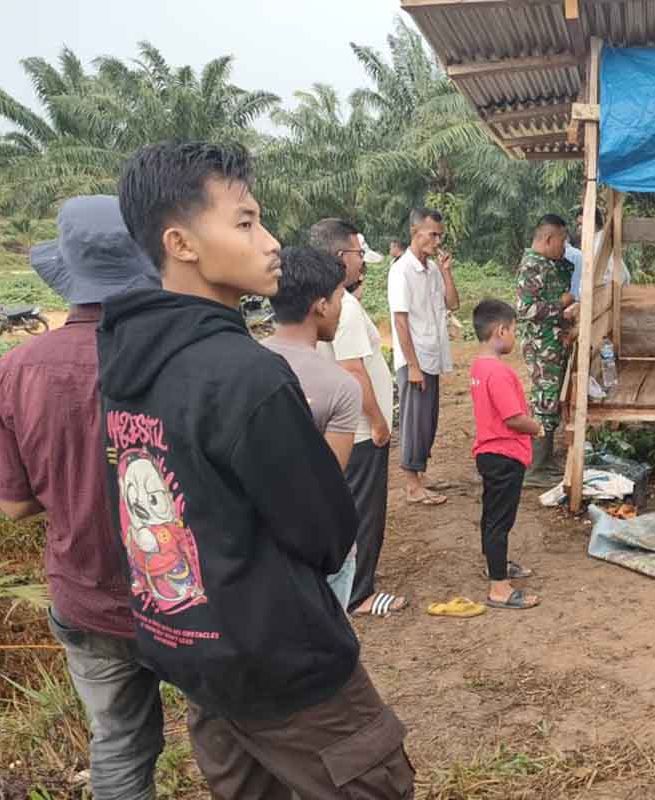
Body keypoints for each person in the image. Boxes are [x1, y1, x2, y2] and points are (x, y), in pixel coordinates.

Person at [101, 141, 414, 797]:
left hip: (192, 647)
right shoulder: (244, 374)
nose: (270, 241)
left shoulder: (125, 364)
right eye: (245, 222)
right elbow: (328, 535)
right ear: (182, 242)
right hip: (282, 663)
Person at [0, 195, 162, 800]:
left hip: (85, 592)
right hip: (183, 596)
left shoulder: (16, 369)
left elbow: (15, 505)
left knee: (118, 744)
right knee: (223, 733)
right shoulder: (174, 357)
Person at [261, 246, 364, 609]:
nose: (340, 307)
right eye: (339, 296)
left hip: (258, 548)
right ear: (321, 304)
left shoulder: (245, 364)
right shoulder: (339, 386)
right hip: (317, 546)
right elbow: (328, 479)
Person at [310, 218, 403, 618]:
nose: (361, 260)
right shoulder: (343, 307)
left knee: (346, 507)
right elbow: (353, 369)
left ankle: (343, 583)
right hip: (362, 431)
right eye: (357, 253)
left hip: (340, 424)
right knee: (365, 511)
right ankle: (359, 593)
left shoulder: (322, 299)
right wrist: (379, 422)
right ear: (338, 256)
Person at [469, 299, 543, 610]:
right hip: (505, 454)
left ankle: (495, 564)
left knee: (492, 517)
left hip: (489, 453)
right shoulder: (499, 373)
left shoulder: (478, 366)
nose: (515, 336)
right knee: (500, 520)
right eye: (514, 330)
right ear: (501, 331)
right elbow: (513, 417)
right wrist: (536, 426)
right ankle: (499, 588)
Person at [389, 207, 460, 505]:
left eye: (440, 235)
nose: (437, 240)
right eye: (432, 234)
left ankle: (420, 475)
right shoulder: (401, 271)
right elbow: (400, 321)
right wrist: (413, 366)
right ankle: (412, 485)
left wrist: (445, 272)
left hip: (432, 355)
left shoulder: (431, 269)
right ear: (415, 233)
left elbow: (453, 304)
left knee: (428, 420)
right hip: (415, 360)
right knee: (415, 420)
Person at [515, 214, 577, 487]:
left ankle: (546, 459)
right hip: (541, 346)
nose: (565, 246)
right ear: (548, 239)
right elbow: (525, 309)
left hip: (555, 342)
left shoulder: (554, 264)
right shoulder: (531, 266)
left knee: (552, 400)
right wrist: (560, 306)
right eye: (562, 241)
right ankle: (535, 468)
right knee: (544, 400)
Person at [567, 206, 629, 301]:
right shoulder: (593, 243)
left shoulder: (601, 244)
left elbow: (621, 276)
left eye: (581, 224)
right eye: (578, 225)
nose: (579, 228)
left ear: (593, 223)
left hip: (603, 304)